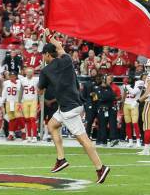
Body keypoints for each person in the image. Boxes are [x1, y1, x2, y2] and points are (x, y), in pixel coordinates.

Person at [37, 34, 110, 184]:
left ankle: (100, 168)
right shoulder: (66, 59)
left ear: (46, 54)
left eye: (43, 55)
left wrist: (46, 84)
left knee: (83, 140)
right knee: (52, 125)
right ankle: (61, 158)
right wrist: (48, 35)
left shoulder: (45, 71)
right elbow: (59, 46)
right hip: (72, 103)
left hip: (68, 109)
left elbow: (40, 91)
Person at [0, 71, 22, 141]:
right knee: (11, 118)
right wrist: (1, 103)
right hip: (8, 102)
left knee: (19, 117)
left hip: (16, 102)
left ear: (16, 76)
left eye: (13, 76)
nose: (12, 77)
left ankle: (23, 131)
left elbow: (19, 89)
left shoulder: (19, 82)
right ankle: (11, 133)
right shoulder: (6, 83)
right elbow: (4, 93)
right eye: (11, 76)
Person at [19, 67, 40, 142]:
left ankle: (34, 136)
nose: (29, 74)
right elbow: (21, 90)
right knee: (27, 119)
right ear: (25, 72)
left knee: (32, 119)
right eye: (28, 72)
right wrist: (19, 101)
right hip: (25, 101)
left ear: (33, 73)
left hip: (33, 100)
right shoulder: (22, 79)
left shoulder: (36, 79)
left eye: (31, 72)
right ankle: (28, 136)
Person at [122, 76, 144, 147]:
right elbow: (125, 95)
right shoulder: (127, 85)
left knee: (135, 123)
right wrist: (122, 103)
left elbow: (133, 92)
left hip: (134, 105)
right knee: (128, 124)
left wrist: (127, 86)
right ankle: (130, 141)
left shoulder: (139, 83)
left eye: (129, 79)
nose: (128, 80)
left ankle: (138, 141)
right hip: (126, 104)